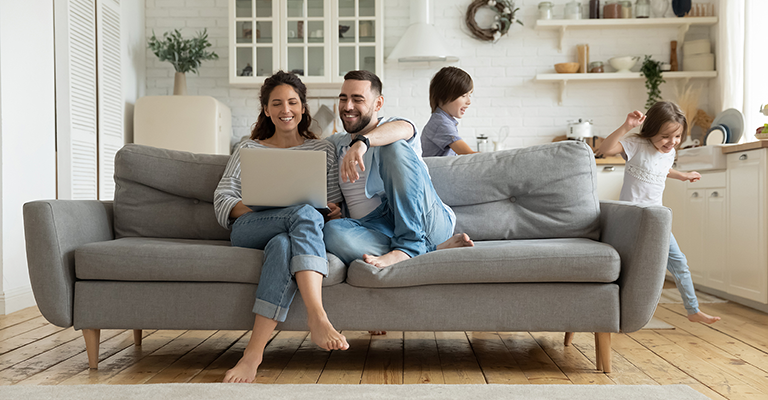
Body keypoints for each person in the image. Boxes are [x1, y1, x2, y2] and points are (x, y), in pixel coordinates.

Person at [213, 71, 349, 383]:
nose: (285, 109)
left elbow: (331, 201)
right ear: (266, 110)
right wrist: (266, 204)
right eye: (277, 103)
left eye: (292, 102)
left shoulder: (323, 150)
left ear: (303, 107)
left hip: (293, 233)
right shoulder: (249, 149)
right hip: (251, 227)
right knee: (301, 212)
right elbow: (222, 198)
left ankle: (253, 354)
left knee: (284, 245)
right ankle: (317, 316)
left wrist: (334, 209)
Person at [323, 70, 473, 269]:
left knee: (392, 145)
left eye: (357, 99)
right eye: (344, 99)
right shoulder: (335, 144)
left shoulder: (394, 126)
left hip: (425, 219)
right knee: (331, 232)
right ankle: (429, 249)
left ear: (378, 104)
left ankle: (409, 245)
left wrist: (363, 142)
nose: (348, 106)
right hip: (375, 227)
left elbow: (403, 129)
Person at [597, 101, 720, 324]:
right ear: (651, 130)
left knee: (679, 263)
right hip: (631, 220)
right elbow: (605, 150)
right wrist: (627, 126)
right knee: (627, 268)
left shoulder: (669, 153)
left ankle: (692, 310)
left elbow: (661, 169)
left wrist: (681, 175)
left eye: (677, 137)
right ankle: (613, 310)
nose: (671, 142)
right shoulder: (635, 145)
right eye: (665, 136)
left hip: (657, 220)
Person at [421, 66, 476, 157]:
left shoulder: (443, 120)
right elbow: (469, 155)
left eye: (469, 95)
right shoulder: (441, 123)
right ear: (444, 96)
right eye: (463, 95)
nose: (469, 101)